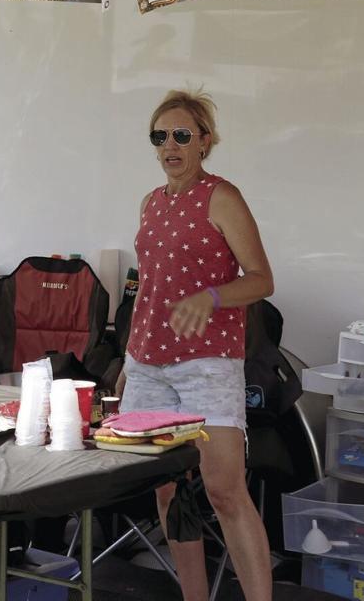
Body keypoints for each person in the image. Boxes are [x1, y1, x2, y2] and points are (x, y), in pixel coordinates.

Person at [118, 89, 274, 601]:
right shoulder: (150, 202)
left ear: (205, 141)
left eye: (182, 135)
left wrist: (211, 297)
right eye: (159, 136)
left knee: (224, 490)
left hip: (207, 363)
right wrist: (128, 360)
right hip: (147, 365)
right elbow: (149, 287)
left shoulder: (221, 196)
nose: (170, 145)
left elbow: (260, 280)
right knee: (166, 489)